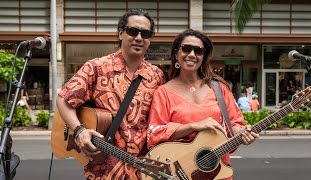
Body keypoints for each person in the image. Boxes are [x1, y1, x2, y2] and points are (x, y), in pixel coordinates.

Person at [56, 8, 165, 180]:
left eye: (145, 33)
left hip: (142, 170)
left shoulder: (157, 75)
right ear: (120, 33)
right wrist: (79, 131)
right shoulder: (96, 67)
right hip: (103, 170)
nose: (138, 38)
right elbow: (63, 99)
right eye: (132, 31)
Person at [147, 29, 258, 180]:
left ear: (203, 57)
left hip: (218, 173)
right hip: (180, 173)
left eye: (198, 51)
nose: (192, 54)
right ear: (175, 54)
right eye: (186, 49)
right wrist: (194, 125)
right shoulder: (163, 92)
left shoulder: (219, 88)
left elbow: (235, 124)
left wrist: (243, 133)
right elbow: (155, 133)